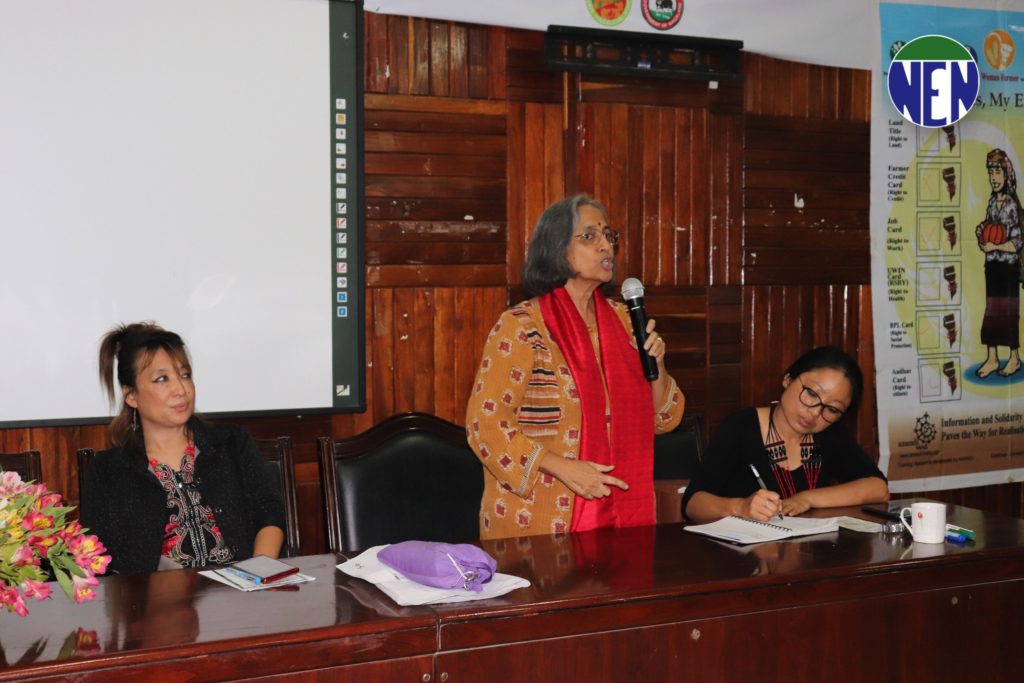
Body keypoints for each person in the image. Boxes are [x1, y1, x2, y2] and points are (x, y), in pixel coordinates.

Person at [466, 194, 685, 539]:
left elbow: (665, 419)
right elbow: (486, 427)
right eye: (589, 236)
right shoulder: (523, 326)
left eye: (608, 235)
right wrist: (565, 468)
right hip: (538, 523)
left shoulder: (625, 321)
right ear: (558, 248)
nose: (606, 246)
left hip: (624, 516)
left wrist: (656, 366)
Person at [80, 322, 285, 574]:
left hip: (243, 588)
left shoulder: (232, 443)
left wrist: (256, 575)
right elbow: (99, 562)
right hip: (157, 598)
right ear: (131, 395)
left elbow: (269, 512)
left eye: (185, 375)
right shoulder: (107, 471)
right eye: (162, 379)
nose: (181, 389)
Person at [681, 346, 888, 523]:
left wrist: (807, 498)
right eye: (812, 394)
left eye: (832, 409)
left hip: (808, 552)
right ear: (788, 379)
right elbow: (692, 504)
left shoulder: (830, 433)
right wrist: (741, 507)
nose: (815, 413)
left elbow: (878, 488)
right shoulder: (741, 426)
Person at [974, 148, 1022, 378]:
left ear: (1006, 174)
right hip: (992, 266)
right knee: (991, 312)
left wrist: (995, 246)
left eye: (997, 172)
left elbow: (1017, 242)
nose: (993, 178)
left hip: (1008, 268)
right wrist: (981, 232)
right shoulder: (993, 202)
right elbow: (989, 229)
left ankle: (1014, 358)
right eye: (990, 172)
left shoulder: (1012, 205)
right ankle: (992, 358)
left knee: (1009, 313)